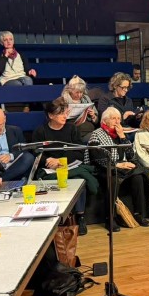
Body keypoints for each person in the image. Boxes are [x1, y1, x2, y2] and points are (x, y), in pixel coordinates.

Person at [32, 98, 98, 235]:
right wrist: (48, 160)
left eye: (66, 113)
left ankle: (80, 217)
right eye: (61, 113)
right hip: (50, 168)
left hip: (69, 165)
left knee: (78, 180)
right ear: (51, 115)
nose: (65, 116)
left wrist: (61, 161)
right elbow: (36, 152)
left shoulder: (72, 128)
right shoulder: (40, 131)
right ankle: (59, 219)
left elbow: (79, 151)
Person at [87, 107, 149, 229]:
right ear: (104, 121)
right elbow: (96, 157)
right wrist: (117, 165)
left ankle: (138, 214)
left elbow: (131, 156)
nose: (117, 121)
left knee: (137, 177)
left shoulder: (120, 133)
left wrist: (122, 137)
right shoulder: (96, 134)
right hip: (104, 168)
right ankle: (110, 218)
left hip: (122, 167)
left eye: (118, 119)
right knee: (113, 178)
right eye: (113, 118)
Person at [61, 75, 99, 142]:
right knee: (97, 137)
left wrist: (93, 116)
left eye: (81, 92)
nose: (79, 95)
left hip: (90, 130)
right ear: (70, 90)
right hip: (73, 132)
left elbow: (96, 121)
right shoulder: (64, 101)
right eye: (77, 92)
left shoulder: (86, 99)